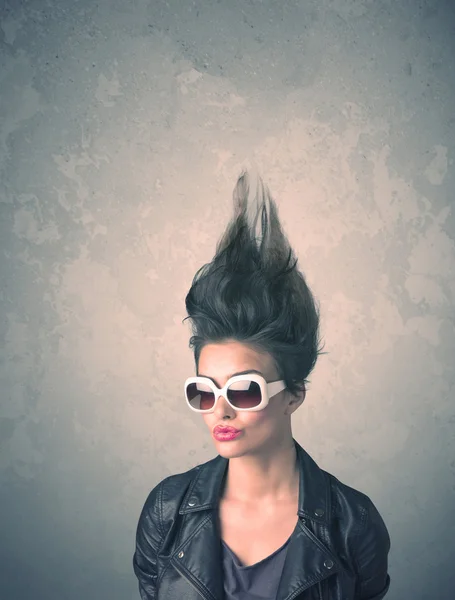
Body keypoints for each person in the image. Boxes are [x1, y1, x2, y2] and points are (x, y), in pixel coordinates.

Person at [133, 171, 391, 600]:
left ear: (293, 395)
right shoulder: (166, 511)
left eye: (243, 390)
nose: (220, 409)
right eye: (204, 390)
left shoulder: (353, 523)